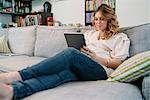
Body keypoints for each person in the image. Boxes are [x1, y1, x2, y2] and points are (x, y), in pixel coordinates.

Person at [0, 4, 130, 100]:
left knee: (70, 53)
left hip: (101, 70)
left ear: (109, 20)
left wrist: (97, 58)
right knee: (60, 75)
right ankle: (13, 91)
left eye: (101, 19)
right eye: (96, 19)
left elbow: (118, 63)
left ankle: (16, 75)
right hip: (82, 65)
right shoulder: (90, 34)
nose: (98, 22)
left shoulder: (120, 38)